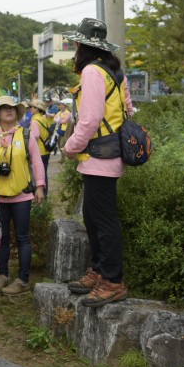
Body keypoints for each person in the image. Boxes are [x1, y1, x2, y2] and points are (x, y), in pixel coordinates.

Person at [63, 18, 134, 307]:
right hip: (108, 152)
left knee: (102, 220)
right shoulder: (114, 72)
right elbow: (128, 109)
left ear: (82, 45)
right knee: (94, 217)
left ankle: (113, 281)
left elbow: (90, 119)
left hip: (99, 155)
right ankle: (99, 271)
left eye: (76, 43)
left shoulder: (92, 72)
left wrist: (70, 146)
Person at [0, 96, 46, 296]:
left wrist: (40, 186)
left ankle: (22, 280)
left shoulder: (26, 134)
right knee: (2, 239)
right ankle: (3, 276)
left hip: (22, 195)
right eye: (4, 108)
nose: (9, 110)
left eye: (12, 107)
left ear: (17, 112)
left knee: (22, 238)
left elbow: (37, 162)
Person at [30, 99, 54, 190]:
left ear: (37, 109)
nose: (30, 108)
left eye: (32, 107)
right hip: (46, 149)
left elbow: (35, 135)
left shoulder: (35, 121)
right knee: (44, 172)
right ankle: (45, 193)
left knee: (39, 174)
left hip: (39, 151)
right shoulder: (43, 118)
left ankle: (41, 193)